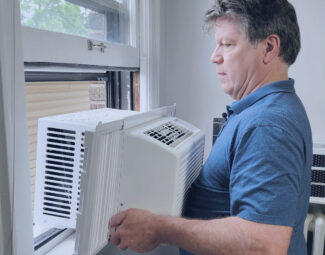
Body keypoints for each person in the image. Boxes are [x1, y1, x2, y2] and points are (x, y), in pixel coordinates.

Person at [108, 0, 313, 254]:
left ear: (269, 48)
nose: (214, 57)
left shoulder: (267, 124)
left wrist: (158, 228)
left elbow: (264, 245)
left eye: (227, 44)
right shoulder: (266, 110)